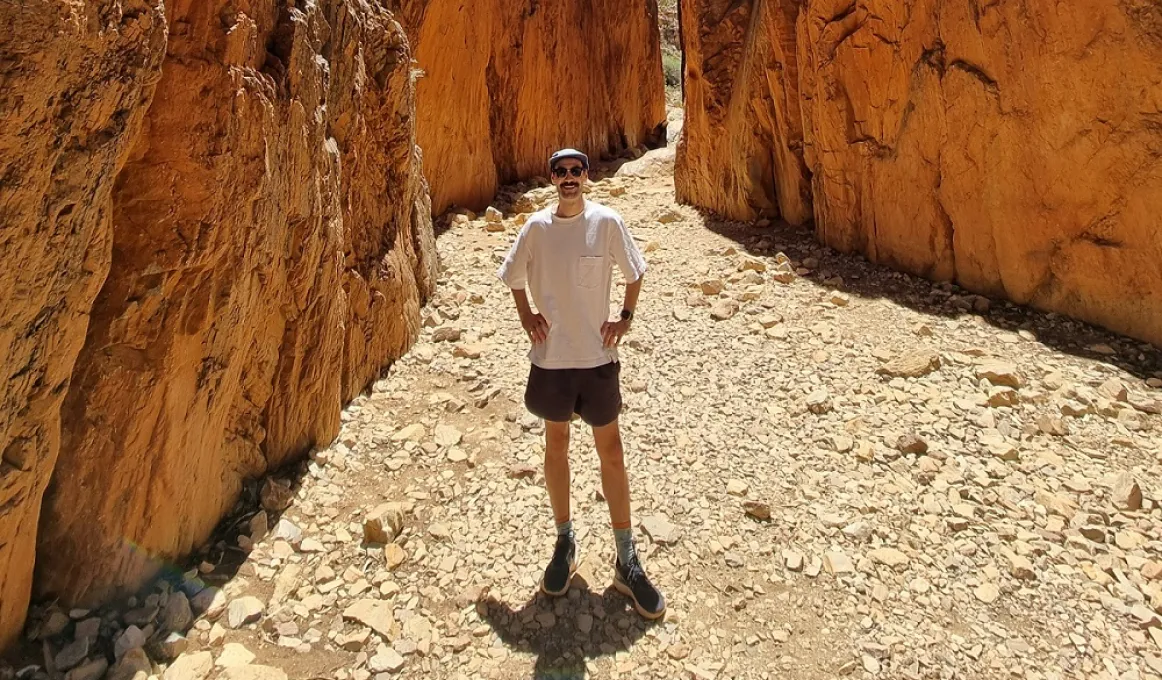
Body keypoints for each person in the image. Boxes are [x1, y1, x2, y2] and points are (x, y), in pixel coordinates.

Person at [495, 148, 665, 620]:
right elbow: (513, 276)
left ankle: (625, 557)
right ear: (552, 178)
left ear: (586, 177)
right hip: (552, 360)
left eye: (576, 171)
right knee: (557, 446)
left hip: (596, 358)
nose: (569, 178)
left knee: (611, 451)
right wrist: (526, 315)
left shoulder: (607, 222)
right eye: (561, 172)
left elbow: (636, 271)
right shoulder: (536, 228)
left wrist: (625, 318)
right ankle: (565, 540)